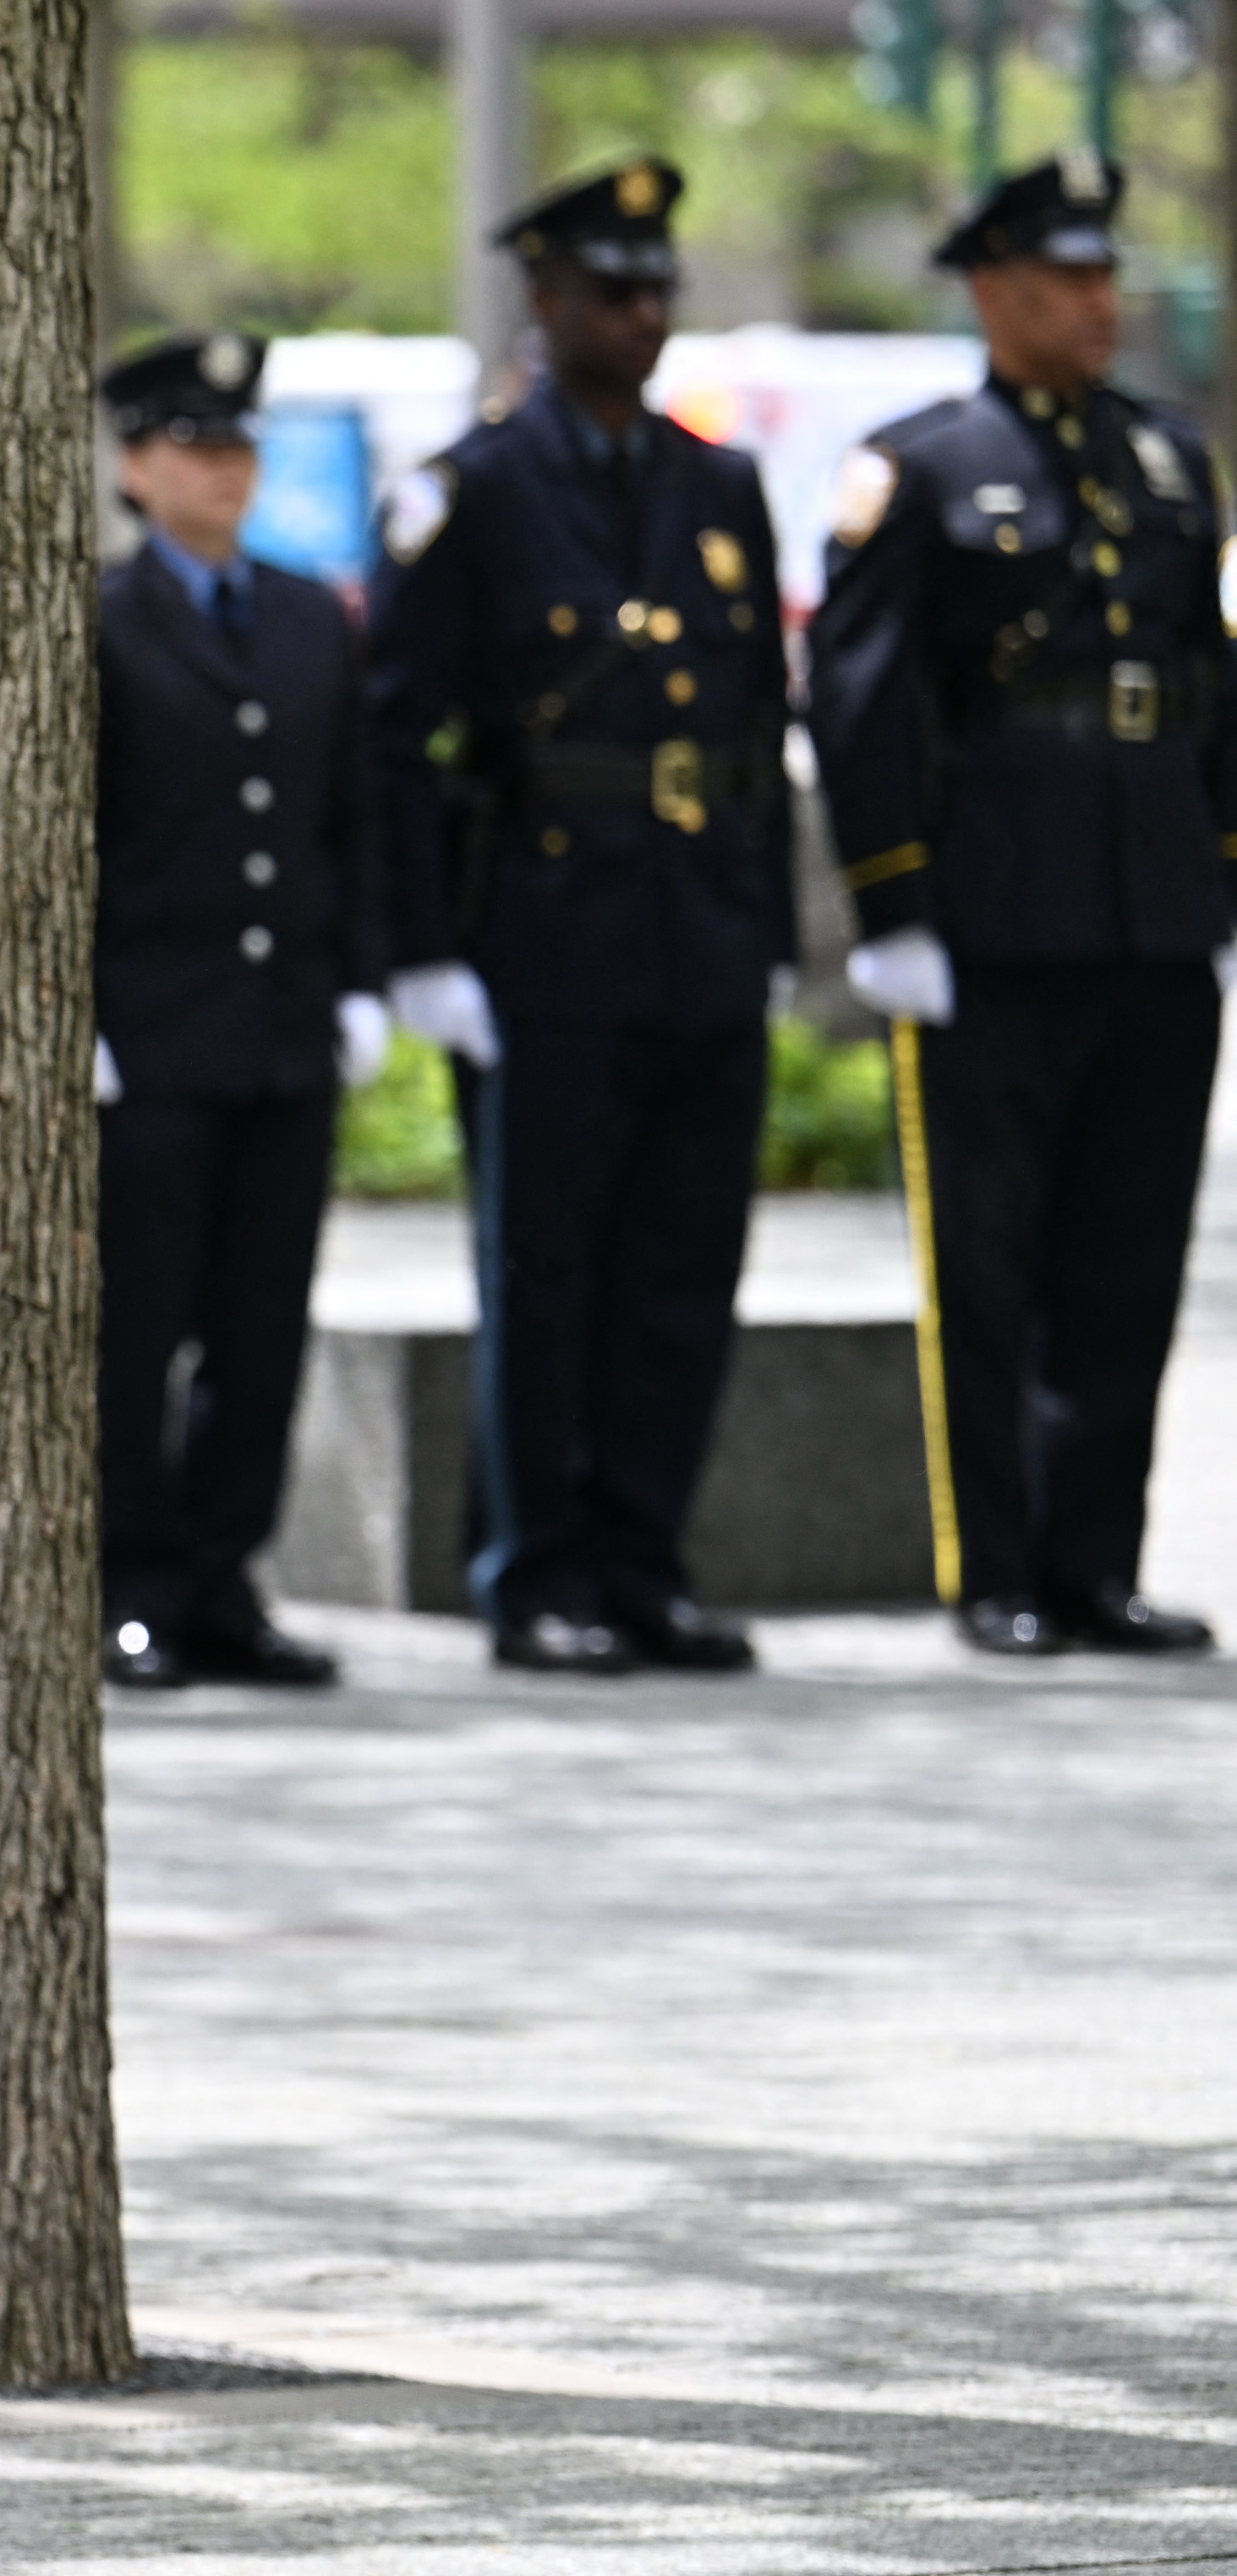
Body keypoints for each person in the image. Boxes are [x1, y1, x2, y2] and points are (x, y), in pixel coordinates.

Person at [363, 159, 793, 1677]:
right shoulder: (470, 491)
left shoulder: (714, 482)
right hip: (541, 932)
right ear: (543, 302)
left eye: (659, 286)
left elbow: (754, 727)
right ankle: (536, 1569)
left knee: (681, 1268)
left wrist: (773, 936)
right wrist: (418, 950)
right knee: (546, 1272)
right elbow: (394, 734)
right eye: (613, 288)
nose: (643, 312)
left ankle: (642, 1559)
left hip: (700, 930)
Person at [803, 156, 1229, 1661]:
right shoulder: (916, 467)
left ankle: (1094, 1561)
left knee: (1126, 1257)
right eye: (1067, 281)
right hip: (988, 921)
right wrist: (891, 903)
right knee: (986, 1260)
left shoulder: (1168, 462)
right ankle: (992, 1568)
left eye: (1108, 276)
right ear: (992, 292)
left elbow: (1208, 693)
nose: (1101, 304)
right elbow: (858, 699)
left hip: (1153, 922)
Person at [92, 332, 391, 1691]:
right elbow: (82, 833)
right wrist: (81, 1012)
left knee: (263, 1322)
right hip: (155, 1028)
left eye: (239, 445)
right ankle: (135, 1584)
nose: (226, 470)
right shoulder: (100, 616)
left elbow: (349, 818)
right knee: (143, 1323)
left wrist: (365, 980)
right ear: (138, 467)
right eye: (198, 446)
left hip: (281, 1023)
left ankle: (227, 1577)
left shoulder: (304, 610)